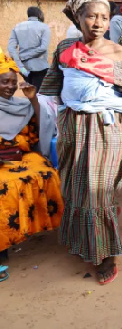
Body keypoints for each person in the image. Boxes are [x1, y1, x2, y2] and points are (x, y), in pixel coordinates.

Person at [39, 0, 122, 285]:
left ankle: (105, 256)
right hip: (73, 128)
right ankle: (86, 241)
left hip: (107, 129)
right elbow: (52, 90)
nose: (98, 22)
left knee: (97, 191)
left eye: (104, 17)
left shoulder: (118, 53)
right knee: (76, 187)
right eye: (91, 16)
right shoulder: (63, 49)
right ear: (78, 18)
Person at [0, 50, 63, 283]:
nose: (9, 87)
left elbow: (41, 128)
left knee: (47, 174)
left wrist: (33, 99)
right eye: (4, 82)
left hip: (23, 155)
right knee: (4, 188)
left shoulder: (21, 104)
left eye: (12, 83)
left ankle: (49, 229)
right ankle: (1, 249)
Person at [7, 7, 51, 90]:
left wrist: (20, 63)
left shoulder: (17, 27)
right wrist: (26, 56)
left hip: (24, 69)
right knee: (39, 95)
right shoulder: (44, 27)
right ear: (39, 15)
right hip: (40, 67)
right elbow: (43, 48)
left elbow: (11, 48)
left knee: (30, 93)